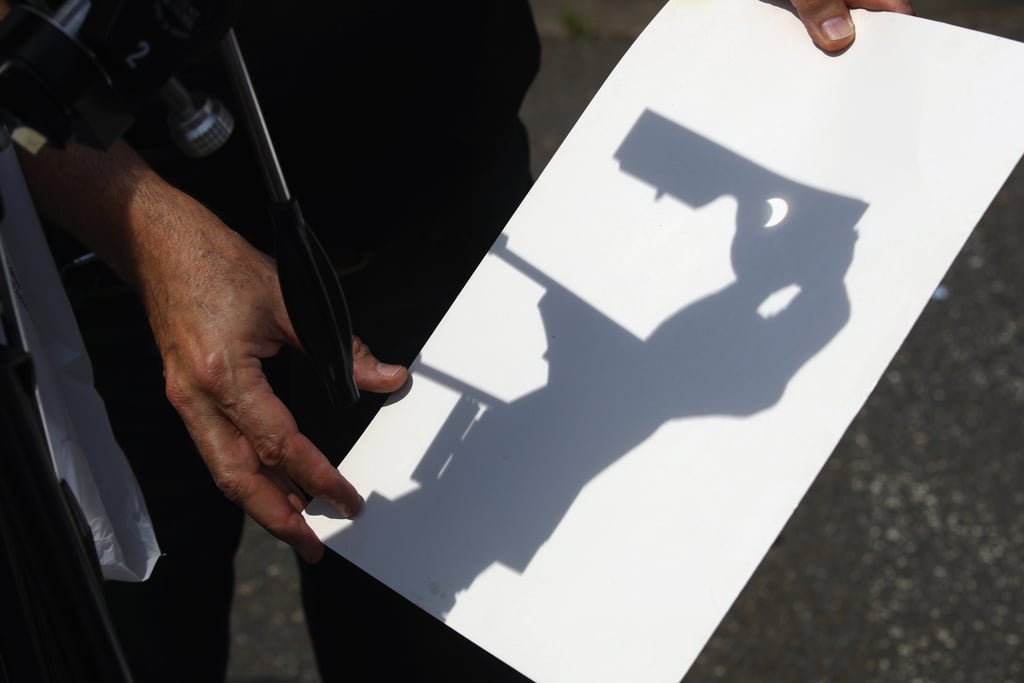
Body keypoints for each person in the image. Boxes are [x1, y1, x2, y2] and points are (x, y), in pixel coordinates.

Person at [4, 0, 913, 680]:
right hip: (109, 278)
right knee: (123, 645)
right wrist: (137, 221)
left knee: (455, 639)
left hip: (447, 219)